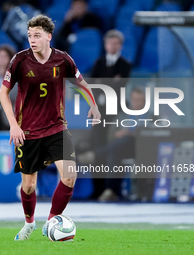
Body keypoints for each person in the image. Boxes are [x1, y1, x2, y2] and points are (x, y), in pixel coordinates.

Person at [0, 14, 101, 240]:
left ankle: (52, 221)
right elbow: (3, 93)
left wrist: (93, 106)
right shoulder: (19, 60)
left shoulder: (63, 60)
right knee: (28, 186)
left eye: (37, 35)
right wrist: (13, 125)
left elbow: (81, 83)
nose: (32, 40)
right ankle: (28, 223)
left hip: (57, 128)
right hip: (27, 132)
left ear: (48, 36)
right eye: (29, 36)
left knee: (69, 176)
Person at [87, 29, 132, 199]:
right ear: (105, 45)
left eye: (115, 43)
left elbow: (119, 87)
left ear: (120, 45)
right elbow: (92, 85)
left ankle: (112, 189)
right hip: (99, 112)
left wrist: (104, 84)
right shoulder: (98, 63)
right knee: (96, 147)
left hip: (115, 113)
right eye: (109, 43)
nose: (112, 46)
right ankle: (97, 189)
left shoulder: (125, 65)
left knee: (112, 150)